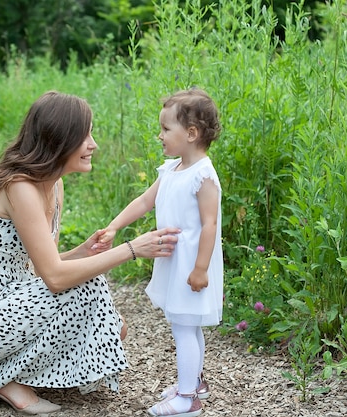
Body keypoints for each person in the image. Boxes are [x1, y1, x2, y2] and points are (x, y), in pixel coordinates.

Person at [0, 91, 181, 415]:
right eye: (85, 136)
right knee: (90, 287)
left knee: (114, 327)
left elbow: (44, 268)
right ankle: (4, 380)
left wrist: (83, 252)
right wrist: (132, 250)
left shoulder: (52, 185)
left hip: (9, 304)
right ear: (60, 139)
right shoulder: (20, 187)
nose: (93, 144)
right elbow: (54, 279)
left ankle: (7, 376)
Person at [98, 88, 223, 417]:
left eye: (166, 129)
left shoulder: (203, 175)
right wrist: (114, 227)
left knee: (184, 327)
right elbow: (143, 202)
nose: (160, 135)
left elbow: (209, 225)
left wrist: (200, 269)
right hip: (175, 260)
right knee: (187, 324)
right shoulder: (171, 170)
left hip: (191, 264)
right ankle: (195, 383)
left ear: (191, 134)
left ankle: (187, 398)